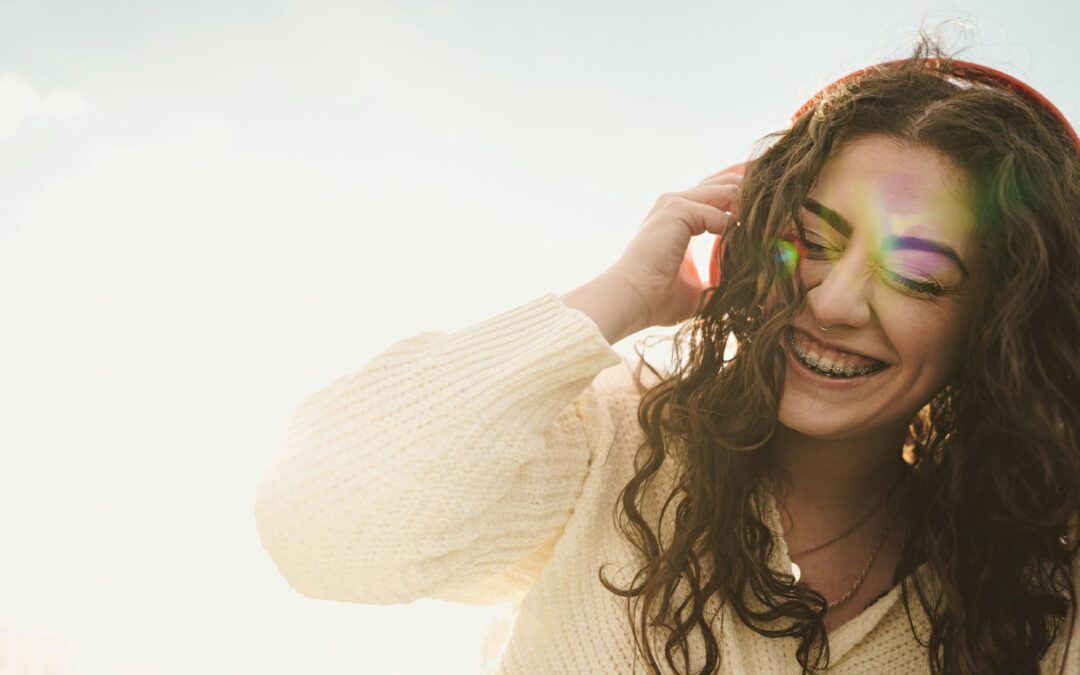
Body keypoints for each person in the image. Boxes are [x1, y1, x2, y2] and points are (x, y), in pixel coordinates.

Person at [254, 39, 1080, 674]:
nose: (833, 301)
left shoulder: (1032, 583)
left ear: (999, 324)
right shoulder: (610, 442)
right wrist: (617, 297)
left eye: (918, 275)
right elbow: (317, 521)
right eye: (809, 240)